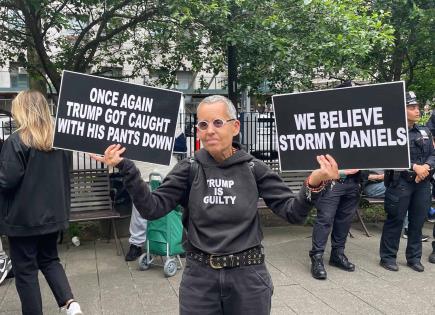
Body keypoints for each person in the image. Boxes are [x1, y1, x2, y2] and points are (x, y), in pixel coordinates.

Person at [92, 95, 340, 315]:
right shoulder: (189, 168)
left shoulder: (254, 168)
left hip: (248, 278)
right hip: (200, 279)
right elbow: (152, 208)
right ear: (198, 132)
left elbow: (293, 213)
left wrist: (313, 182)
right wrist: (127, 168)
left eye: (217, 122)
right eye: (203, 124)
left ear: (235, 127)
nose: (209, 130)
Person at [0, 90, 82, 315]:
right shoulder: (60, 141)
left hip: (22, 220)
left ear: (23, 110)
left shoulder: (17, 141)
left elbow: (6, 181)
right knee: (50, 260)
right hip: (53, 216)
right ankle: (71, 304)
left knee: (26, 272)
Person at [379, 91, 435, 272]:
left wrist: (425, 167)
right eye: (412, 108)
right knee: (395, 221)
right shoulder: (392, 132)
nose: (417, 111)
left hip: (422, 183)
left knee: (417, 222)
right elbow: (389, 157)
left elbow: (433, 154)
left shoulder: (425, 131)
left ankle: (414, 258)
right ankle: (387, 257)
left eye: (417, 107)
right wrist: (414, 167)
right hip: (400, 183)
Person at [309, 169, 362, 280]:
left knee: (345, 220)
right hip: (331, 180)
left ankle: (337, 255)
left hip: (353, 180)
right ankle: (317, 258)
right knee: (325, 219)